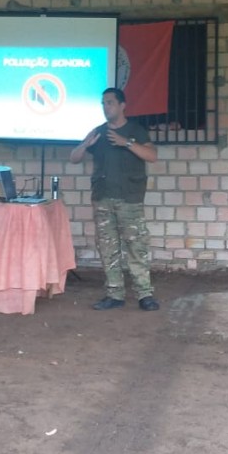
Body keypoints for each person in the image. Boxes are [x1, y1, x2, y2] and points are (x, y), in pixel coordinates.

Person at [69, 87, 159, 311]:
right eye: (103, 103)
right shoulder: (98, 132)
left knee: (136, 247)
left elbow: (152, 156)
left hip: (129, 198)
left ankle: (144, 295)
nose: (105, 107)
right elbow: (74, 158)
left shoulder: (136, 130)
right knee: (108, 248)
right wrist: (84, 145)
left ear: (122, 105)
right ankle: (114, 293)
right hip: (103, 199)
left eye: (109, 102)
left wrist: (126, 142)